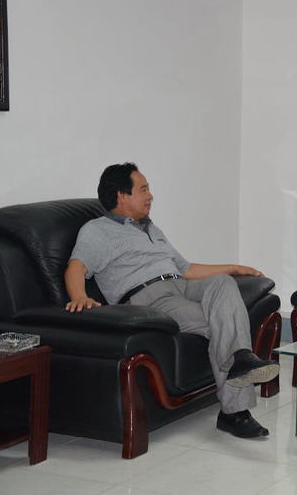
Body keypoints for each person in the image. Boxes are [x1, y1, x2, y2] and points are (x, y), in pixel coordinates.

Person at [64, 163, 279, 440]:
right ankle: (236, 411)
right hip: (149, 297)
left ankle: (240, 359)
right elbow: (76, 266)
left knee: (223, 283)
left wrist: (234, 268)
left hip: (181, 284)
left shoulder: (151, 228)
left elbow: (186, 269)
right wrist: (79, 297)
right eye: (143, 189)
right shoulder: (97, 230)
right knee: (224, 323)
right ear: (121, 196)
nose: (150, 195)